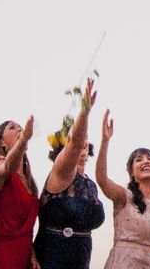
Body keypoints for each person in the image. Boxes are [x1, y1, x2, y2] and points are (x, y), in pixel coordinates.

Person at [33, 78, 105, 269]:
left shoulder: (91, 185)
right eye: (78, 136)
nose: (83, 140)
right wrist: (85, 111)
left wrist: (105, 140)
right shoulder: (61, 173)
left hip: (81, 260)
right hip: (52, 258)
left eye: (86, 138)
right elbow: (74, 144)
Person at [97, 109, 150, 269]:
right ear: (132, 173)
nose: (146, 161)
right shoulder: (125, 196)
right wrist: (105, 141)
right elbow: (102, 180)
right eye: (139, 160)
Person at [0, 117, 39, 269]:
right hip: (3, 253)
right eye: (12, 127)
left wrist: (32, 254)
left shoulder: (30, 181)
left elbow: (26, 227)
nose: (19, 129)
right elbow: (7, 168)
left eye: (20, 127)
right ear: (1, 143)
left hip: (23, 253)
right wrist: (23, 140)